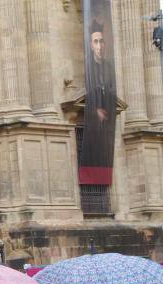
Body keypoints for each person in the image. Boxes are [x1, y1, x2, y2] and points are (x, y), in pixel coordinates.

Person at [80, 19, 117, 182]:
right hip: (90, 122)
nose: (99, 46)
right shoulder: (87, 67)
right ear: (90, 45)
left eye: (101, 41)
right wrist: (95, 110)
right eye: (96, 42)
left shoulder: (109, 67)